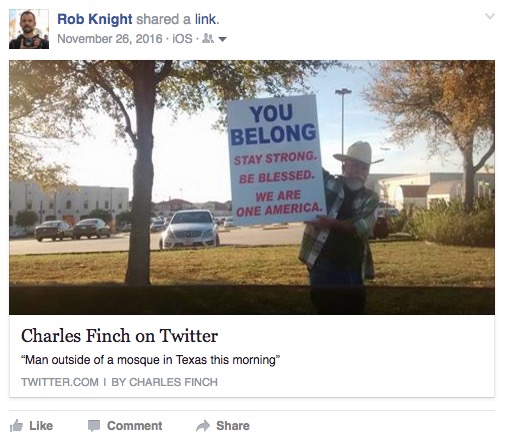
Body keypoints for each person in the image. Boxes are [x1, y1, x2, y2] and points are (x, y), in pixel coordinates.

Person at [298, 141, 380, 314]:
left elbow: (361, 227)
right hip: (322, 266)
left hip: (353, 270)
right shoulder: (328, 183)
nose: (359, 171)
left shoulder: (371, 197)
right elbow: (305, 164)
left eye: (364, 168)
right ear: (345, 166)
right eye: (355, 165)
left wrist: (329, 223)